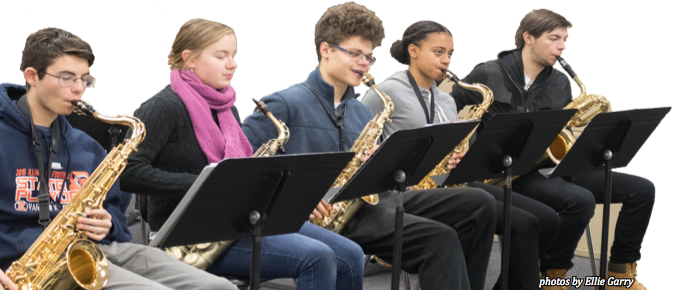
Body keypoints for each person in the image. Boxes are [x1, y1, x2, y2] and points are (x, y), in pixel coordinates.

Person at [242, 3, 497, 290]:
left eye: (369, 57)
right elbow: (241, 169)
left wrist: (383, 164)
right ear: (325, 50)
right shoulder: (284, 103)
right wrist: (295, 197)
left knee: (478, 203)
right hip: (318, 216)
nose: (364, 63)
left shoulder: (362, 112)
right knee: (438, 238)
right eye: (355, 54)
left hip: (363, 204)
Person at [119, 18, 365, 290]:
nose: (232, 64)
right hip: (187, 236)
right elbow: (127, 173)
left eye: (233, 55)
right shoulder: (161, 107)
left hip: (234, 220)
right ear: (189, 59)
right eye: (221, 56)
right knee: (316, 258)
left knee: (351, 255)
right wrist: (206, 185)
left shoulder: (226, 108)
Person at [0, 28, 235, 290]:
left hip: (94, 250)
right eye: (67, 78)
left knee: (221, 288)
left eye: (85, 80)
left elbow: (118, 222)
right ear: (32, 76)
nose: (79, 89)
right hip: (24, 266)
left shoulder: (87, 147)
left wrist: (107, 223)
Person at [451, 9, 654, 290]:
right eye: (554, 38)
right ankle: (552, 273)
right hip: (514, 174)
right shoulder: (488, 71)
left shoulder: (559, 81)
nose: (562, 46)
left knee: (642, 190)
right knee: (580, 201)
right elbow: (448, 103)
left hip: (554, 166)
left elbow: (564, 128)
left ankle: (620, 272)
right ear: (528, 38)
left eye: (565, 39)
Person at [361, 20, 561, 290]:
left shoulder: (444, 99)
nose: (446, 61)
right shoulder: (386, 92)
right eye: (439, 52)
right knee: (482, 207)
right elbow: (361, 147)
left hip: (447, 184)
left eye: (450, 54)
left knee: (541, 220)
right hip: (405, 191)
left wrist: (453, 158)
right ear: (413, 51)